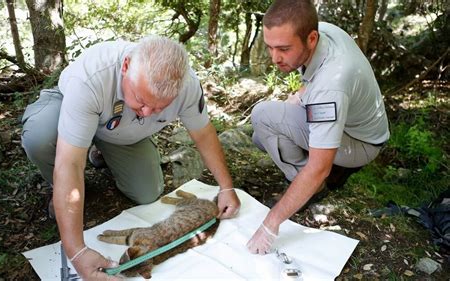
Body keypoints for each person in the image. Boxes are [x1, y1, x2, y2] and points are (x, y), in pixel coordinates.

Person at [21, 35, 241, 280]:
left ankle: (101, 150)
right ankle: (59, 184)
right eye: (142, 100)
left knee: (147, 192)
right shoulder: (92, 77)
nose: (147, 112)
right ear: (125, 67)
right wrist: (76, 251)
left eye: (159, 108)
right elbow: (69, 163)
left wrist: (226, 186)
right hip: (67, 110)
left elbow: (204, 134)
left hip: (120, 133)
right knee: (40, 138)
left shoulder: (187, 85)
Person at [246, 0, 389, 255]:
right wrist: (301, 95)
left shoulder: (331, 85)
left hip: (361, 143)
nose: (274, 58)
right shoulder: (324, 31)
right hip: (352, 125)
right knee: (261, 137)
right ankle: (319, 171)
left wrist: (270, 223)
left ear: (311, 38)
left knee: (263, 115)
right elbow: (314, 76)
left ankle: (312, 187)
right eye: (270, 47)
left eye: (283, 49)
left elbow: (318, 167)